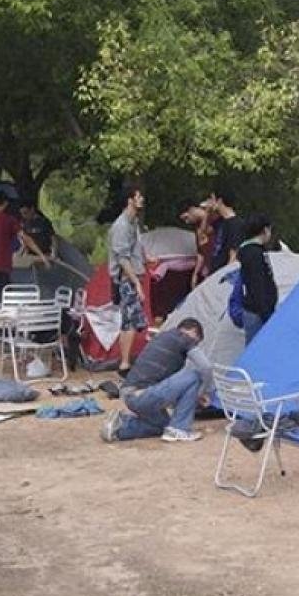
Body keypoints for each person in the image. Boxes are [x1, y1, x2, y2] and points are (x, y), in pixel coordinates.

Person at [100, 317, 210, 443]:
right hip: (142, 394)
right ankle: (179, 429)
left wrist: (192, 396)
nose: (195, 345)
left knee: (161, 426)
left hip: (130, 395)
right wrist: (202, 391)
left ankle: (119, 427)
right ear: (192, 332)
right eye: (196, 342)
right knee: (194, 375)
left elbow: (168, 388)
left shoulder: (162, 337)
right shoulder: (184, 338)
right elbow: (206, 367)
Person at [0, 191, 50, 342]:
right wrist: (41, 255)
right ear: (5, 204)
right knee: (0, 305)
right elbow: (24, 238)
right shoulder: (9, 220)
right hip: (1, 269)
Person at [107, 186, 150, 377]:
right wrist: (137, 284)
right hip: (127, 279)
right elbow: (122, 259)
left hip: (134, 275)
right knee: (132, 320)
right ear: (130, 200)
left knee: (128, 321)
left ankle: (124, 363)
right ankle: (125, 363)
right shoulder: (121, 226)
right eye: (139, 196)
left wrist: (147, 259)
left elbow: (135, 249)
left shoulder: (133, 223)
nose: (142, 199)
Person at [237, 215, 279, 344]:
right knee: (256, 345)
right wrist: (266, 313)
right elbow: (257, 285)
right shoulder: (254, 254)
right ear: (265, 230)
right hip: (257, 312)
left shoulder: (252, 251)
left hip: (257, 310)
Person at [208, 188, 245, 271]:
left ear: (219, 201)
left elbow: (233, 255)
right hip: (214, 271)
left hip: (222, 273)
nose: (210, 202)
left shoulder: (236, 224)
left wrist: (225, 276)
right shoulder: (219, 222)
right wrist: (208, 212)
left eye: (212, 199)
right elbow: (204, 233)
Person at [179, 199, 213, 289]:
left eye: (186, 218)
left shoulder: (213, 217)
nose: (187, 222)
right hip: (209, 271)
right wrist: (195, 274)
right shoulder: (197, 228)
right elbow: (201, 252)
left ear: (192, 210)